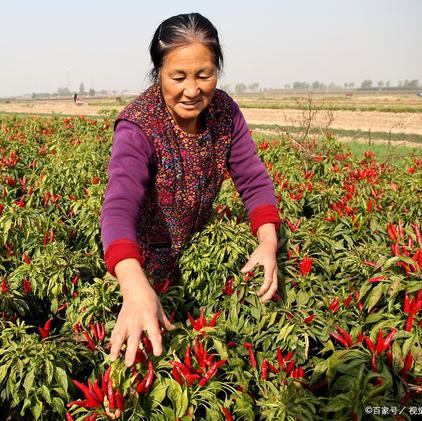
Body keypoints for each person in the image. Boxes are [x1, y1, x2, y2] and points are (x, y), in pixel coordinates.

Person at [100, 13, 281, 367]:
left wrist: (268, 242)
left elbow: (253, 180)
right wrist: (134, 286)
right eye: (178, 77)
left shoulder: (225, 112)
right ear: (158, 74)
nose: (192, 90)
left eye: (204, 75)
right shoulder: (139, 126)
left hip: (198, 256)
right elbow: (118, 209)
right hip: (139, 269)